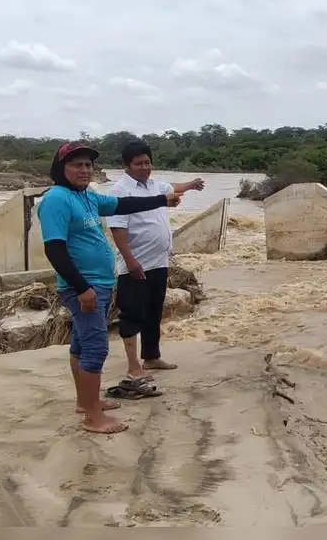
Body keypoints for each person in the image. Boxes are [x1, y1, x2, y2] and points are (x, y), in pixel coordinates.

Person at [38, 141, 182, 434]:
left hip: (99, 284)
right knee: (95, 348)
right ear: (60, 169)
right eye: (76, 165)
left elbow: (125, 204)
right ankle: (93, 418)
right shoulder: (56, 199)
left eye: (88, 165)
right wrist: (81, 288)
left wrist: (162, 200)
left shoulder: (87, 197)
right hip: (85, 286)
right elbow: (54, 250)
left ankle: (86, 402)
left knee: (80, 344)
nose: (84, 170)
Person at [107, 139, 205, 381]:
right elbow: (117, 229)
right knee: (132, 314)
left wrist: (191, 185)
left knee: (153, 311)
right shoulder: (121, 191)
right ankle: (133, 365)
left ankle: (151, 357)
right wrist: (130, 261)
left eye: (147, 162)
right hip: (135, 263)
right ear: (126, 166)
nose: (144, 167)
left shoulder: (154, 184)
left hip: (159, 262)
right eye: (138, 163)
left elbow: (172, 186)